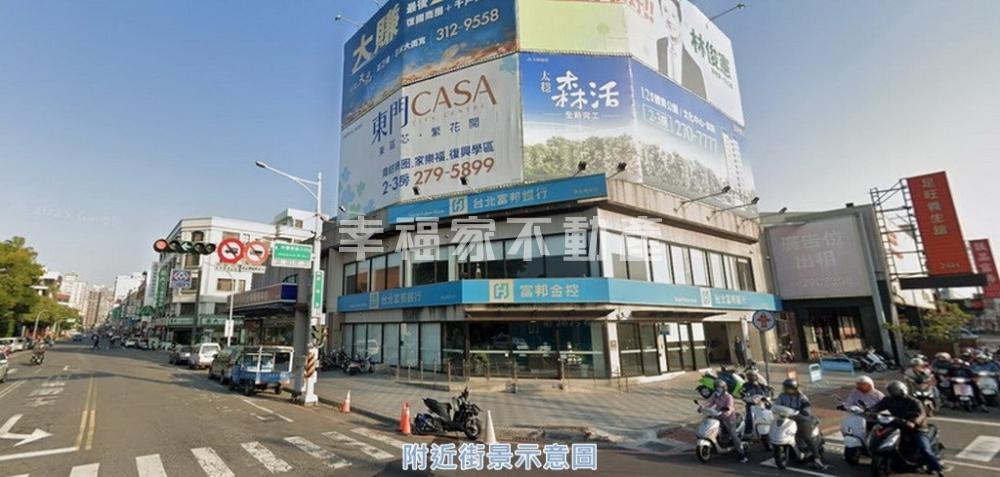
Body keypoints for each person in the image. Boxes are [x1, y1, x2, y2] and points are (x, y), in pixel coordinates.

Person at [870, 381, 945, 477]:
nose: (893, 392)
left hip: (917, 428)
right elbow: (877, 407)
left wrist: (914, 422)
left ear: (902, 390)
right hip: (898, 424)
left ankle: (937, 468)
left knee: (924, 448)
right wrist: (870, 411)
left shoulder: (914, 401)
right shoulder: (888, 400)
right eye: (891, 390)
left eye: (895, 390)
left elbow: (921, 414)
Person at [774, 379, 827, 469]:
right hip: (787, 419)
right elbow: (777, 404)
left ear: (794, 388)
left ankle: (817, 459)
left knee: (807, 437)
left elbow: (807, 407)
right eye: (785, 387)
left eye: (787, 388)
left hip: (801, 419)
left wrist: (803, 410)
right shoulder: (782, 395)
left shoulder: (801, 397)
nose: (785, 389)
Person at [702, 379, 748, 463]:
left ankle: (742, 454)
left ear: (724, 388)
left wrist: (724, 413)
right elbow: (709, 402)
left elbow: (729, 408)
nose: (718, 388)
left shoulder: (728, 397)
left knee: (733, 434)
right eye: (716, 387)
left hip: (729, 418)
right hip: (717, 415)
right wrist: (703, 407)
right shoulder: (715, 395)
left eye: (720, 387)